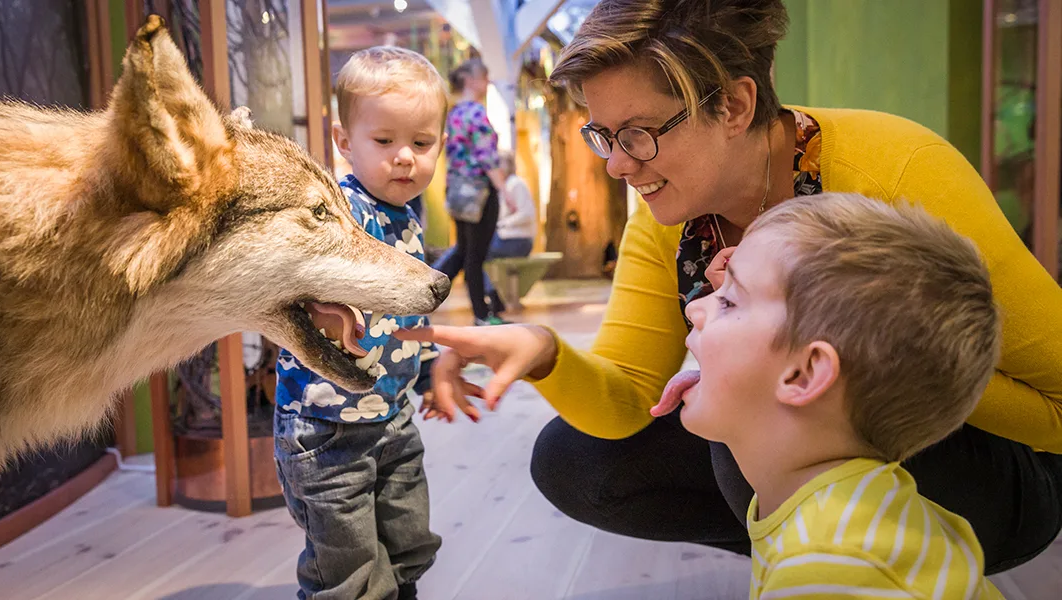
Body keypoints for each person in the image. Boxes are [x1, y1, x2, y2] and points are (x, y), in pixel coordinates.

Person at [396, 0, 1062, 575]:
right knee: (577, 460)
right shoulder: (666, 212)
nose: (619, 164)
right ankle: (808, 554)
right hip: (823, 438)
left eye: (639, 134)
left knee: (749, 416)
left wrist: (869, 355)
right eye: (603, 134)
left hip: (1004, 475)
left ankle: (882, 559)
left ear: (736, 105)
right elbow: (629, 400)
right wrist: (542, 349)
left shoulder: (896, 172)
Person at [658, 193, 1003, 598]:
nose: (697, 308)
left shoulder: (827, 566)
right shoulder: (850, 518)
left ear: (804, 374)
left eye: (730, 300)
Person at [274, 46, 447, 600]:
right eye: (384, 141)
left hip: (392, 417)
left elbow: (410, 309)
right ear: (344, 142)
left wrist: (432, 368)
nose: (405, 158)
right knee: (347, 573)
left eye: (422, 143)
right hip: (327, 431)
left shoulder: (407, 220)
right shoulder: (342, 212)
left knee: (409, 542)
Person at [432, 59, 507, 326]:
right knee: (475, 255)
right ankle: (481, 314)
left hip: (457, 191)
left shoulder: (453, 114)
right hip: (479, 192)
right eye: (485, 78)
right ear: (472, 80)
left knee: (465, 252)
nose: (487, 84)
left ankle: (431, 293)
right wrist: (504, 189)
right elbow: (487, 156)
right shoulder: (476, 113)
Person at [436, 150, 537, 315]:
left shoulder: (515, 184)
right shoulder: (503, 187)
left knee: (473, 253)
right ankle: (491, 295)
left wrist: (501, 225)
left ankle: (489, 295)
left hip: (517, 239)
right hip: (505, 236)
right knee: (471, 252)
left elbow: (526, 214)